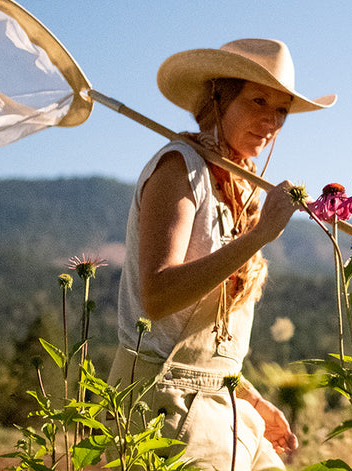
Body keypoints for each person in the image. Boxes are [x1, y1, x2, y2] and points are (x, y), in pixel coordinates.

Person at [106, 38, 335, 470]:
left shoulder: (238, 186)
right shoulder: (180, 168)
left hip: (224, 404)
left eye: (282, 110)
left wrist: (247, 396)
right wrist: (261, 235)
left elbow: (208, 340)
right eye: (258, 101)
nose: (271, 121)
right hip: (163, 408)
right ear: (219, 97)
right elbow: (157, 297)